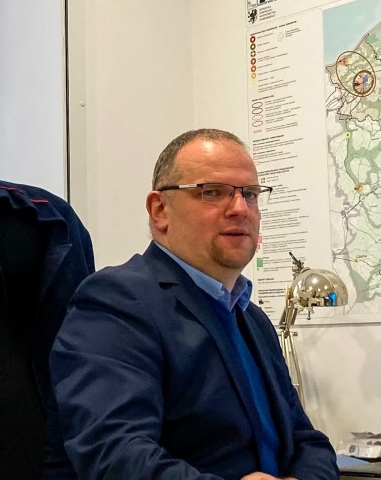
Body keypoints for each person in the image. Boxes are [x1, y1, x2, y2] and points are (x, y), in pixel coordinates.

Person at [50, 129, 339, 479]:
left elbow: (307, 441)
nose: (240, 209)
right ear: (160, 210)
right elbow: (114, 452)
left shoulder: (253, 319)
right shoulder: (116, 301)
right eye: (212, 192)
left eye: (250, 194)